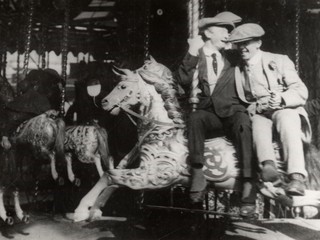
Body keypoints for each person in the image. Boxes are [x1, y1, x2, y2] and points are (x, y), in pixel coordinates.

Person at [176, 12, 257, 217]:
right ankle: (197, 173)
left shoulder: (233, 56)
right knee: (195, 118)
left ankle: (248, 182)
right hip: (208, 113)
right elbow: (184, 81)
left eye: (229, 31)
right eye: (224, 30)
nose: (228, 35)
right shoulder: (197, 55)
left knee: (243, 122)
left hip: (231, 111)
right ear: (209, 32)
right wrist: (192, 52)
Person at [227, 23, 311, 196]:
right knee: (257, 123)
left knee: (287, 119)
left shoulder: (279, 60)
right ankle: (268, 166)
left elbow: (301, 91)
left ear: (258, 43)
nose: (242, 48)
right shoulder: (238, 69)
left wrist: (282, 98)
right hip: (260, 111)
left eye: (247, 43)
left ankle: (297, 177)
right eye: (239, 44)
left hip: (283, 107)